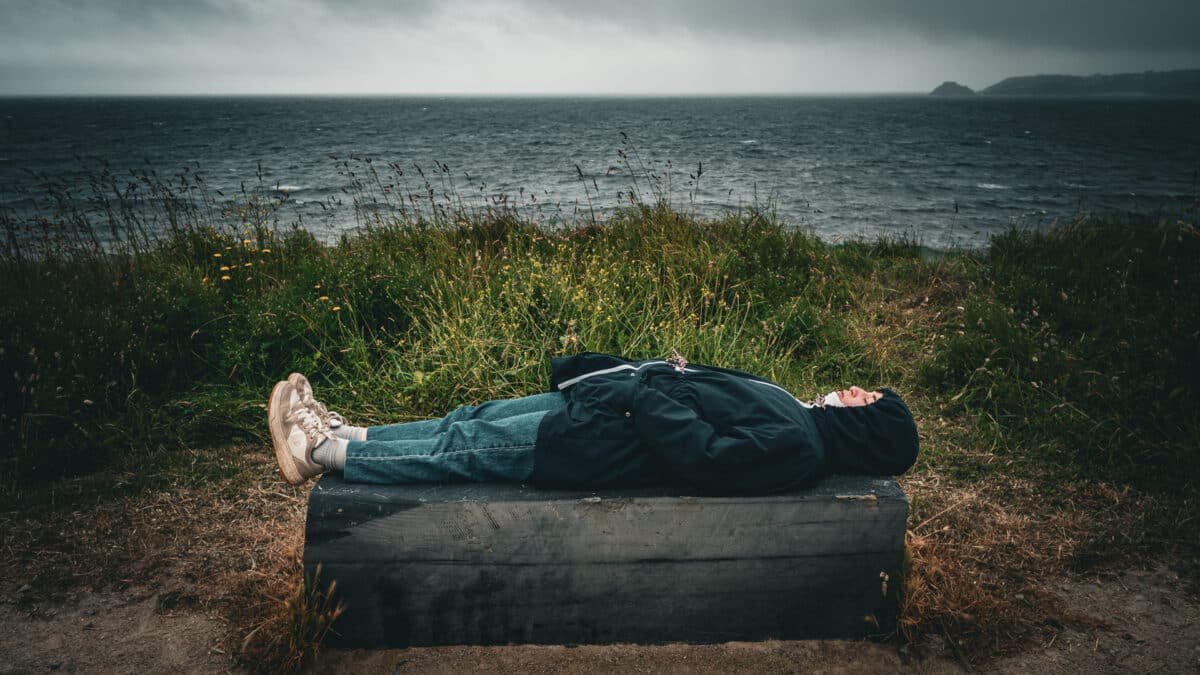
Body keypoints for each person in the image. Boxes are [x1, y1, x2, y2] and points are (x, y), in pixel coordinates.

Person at [268, 351, 919, 495]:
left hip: (605, 441)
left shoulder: (800, 446)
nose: (856, 389)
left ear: (869, 431)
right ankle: (351, 434)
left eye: (869, 400)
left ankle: (318, 453)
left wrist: (643, 397)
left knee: (464, 447)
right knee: (468, 421)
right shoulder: (801, 421)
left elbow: (706, 457)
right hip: (608, 415)